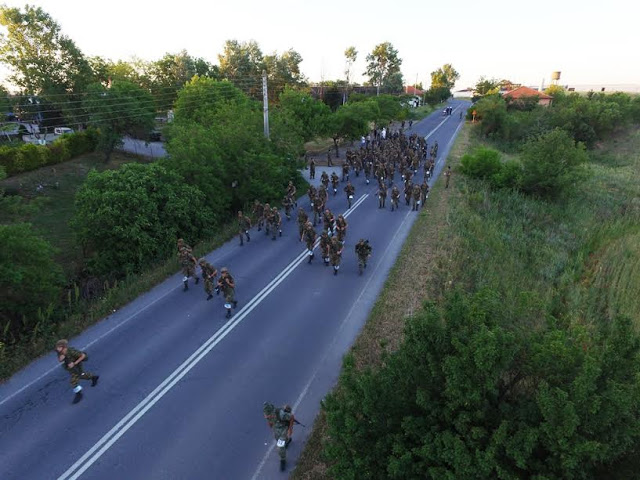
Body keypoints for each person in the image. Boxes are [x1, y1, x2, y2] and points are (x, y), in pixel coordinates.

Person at [55, 339, 98, 404]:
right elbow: (60, 360)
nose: (57, 348)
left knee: (73, 381)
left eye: (59, 347)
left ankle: (79, 394)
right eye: (57, 347)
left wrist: (74, 363)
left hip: (77, 365)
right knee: (82, 376)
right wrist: (61, 358)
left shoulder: (71, 351)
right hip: (70, 367)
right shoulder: (59, 352)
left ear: (63, 347)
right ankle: (93, 377)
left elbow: (83, 355)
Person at [263, 402, 296, 471]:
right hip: (276, 431)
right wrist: (270, 422)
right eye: (266, 416)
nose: (266, 417)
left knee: (280, 447)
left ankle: (283, 460)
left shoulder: (281, 414)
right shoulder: (269, 416)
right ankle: (287, 441)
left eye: (267, 415)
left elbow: (291, 417)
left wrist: (290, 429)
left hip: (283, 430)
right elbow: (271, 423)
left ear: (271, 413)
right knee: (279, 441)